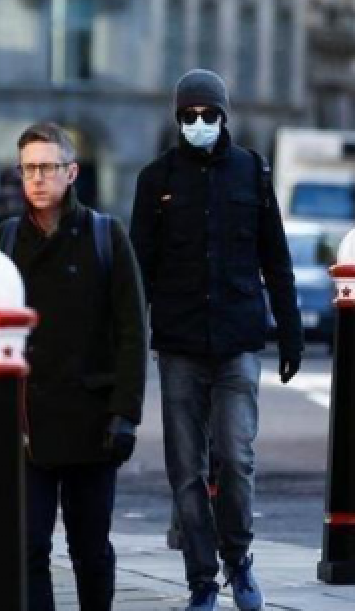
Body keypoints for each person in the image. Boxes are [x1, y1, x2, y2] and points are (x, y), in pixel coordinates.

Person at [130, 69, 304, 611]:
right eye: (189, 116)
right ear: (177, 118)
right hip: (180, 344)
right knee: (186, 472)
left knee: (237, 459)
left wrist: (291, 331)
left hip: (237, 342)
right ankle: (201, 581)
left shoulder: (251, 172)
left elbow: (275, 259)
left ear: (225, 116)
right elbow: (139, 270)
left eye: (208, 115)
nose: (199, 124)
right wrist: (131, 345)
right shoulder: (155, 179)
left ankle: (239, 561)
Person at [0, 122, 147, 611]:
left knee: (90, 550)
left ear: (71, 172)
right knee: (30, 545)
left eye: (48, 167)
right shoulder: (3, 241)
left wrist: (125, 415)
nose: (36, 179)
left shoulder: (105, 236)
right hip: (26, 425)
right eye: (28, 168)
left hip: (92, 422)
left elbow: (132, 332)